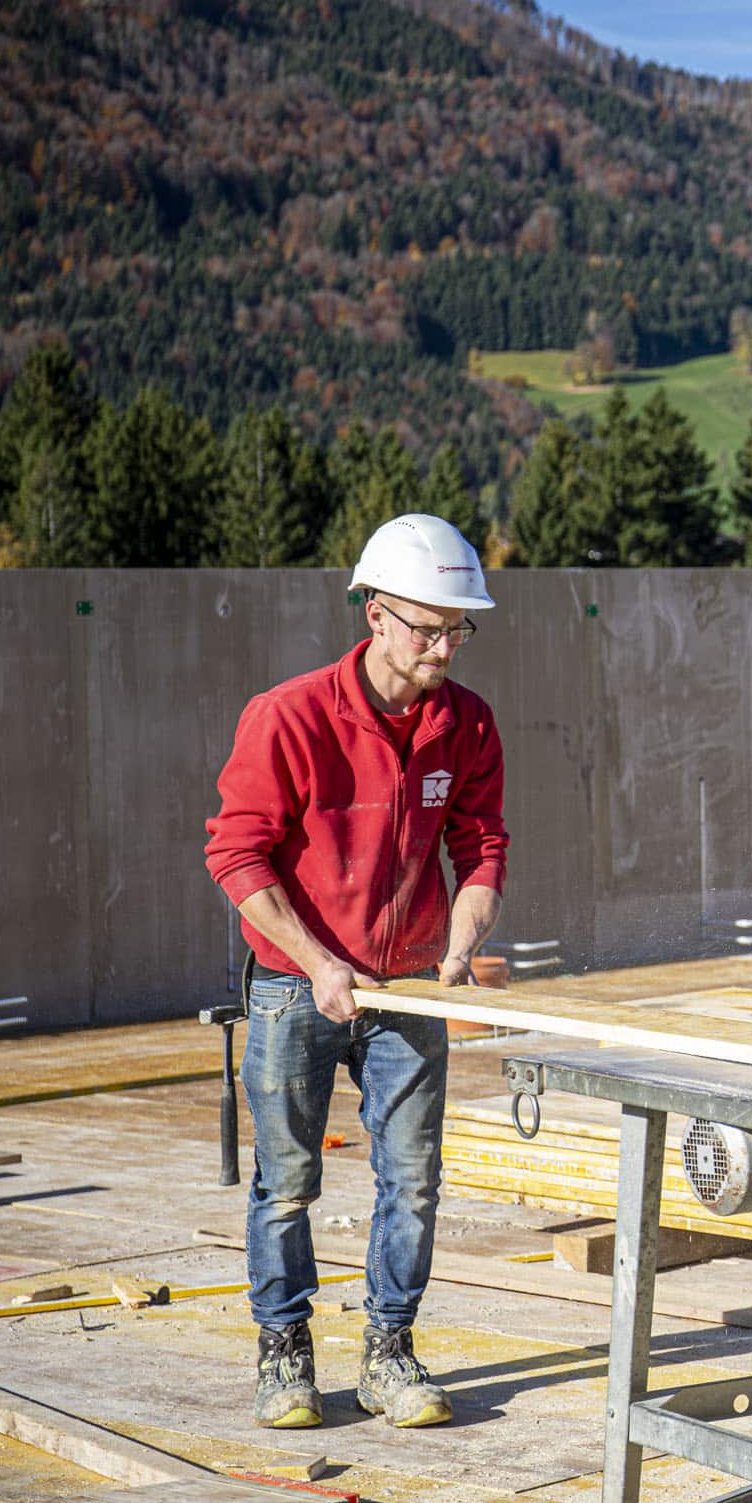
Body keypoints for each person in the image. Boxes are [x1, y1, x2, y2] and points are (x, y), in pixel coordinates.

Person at [205, 513, 508, 1429]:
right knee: (288, 1183)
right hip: (295, 987)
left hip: (407, 987)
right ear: (374, 613)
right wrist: (318, 961)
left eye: (458, 629)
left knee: (412, 1180)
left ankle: (389, 1352)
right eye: (427, 628)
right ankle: (285, 1353)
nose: (443, 648)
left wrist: (460, 943)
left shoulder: (466, 722)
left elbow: (481, 846)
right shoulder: (290, 716)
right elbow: (236, 857)